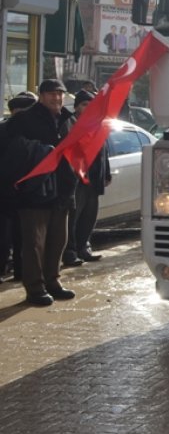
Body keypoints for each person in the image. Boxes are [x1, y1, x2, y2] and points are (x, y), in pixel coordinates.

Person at [6, 79, 79, 306]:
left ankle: (53, 282)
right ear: (41, 95)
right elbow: (10, 150)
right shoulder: (23, 119)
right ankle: (35, 288)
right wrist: (40, 153)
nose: (56, 98)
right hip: (34, 192)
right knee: (34, 244)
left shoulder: (69, 119)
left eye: (60, 94)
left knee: (58, 241)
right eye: (51, 94)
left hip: (63, 191)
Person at [62, 89, 111, 268]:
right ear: (76, 107)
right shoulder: (70, 124)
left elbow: (104, 152)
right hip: (77, 180)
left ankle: (84, 248)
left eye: (91, 105)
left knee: (89, 217)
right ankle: (70, 253)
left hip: (94, 180)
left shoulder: (98, 125)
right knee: (73, 218)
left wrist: (106, 174)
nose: (88, 108)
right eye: (84, 104)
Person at [0, 91, 38, 282]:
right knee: (7, 235)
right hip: (8, 192)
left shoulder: (35, 132)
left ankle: (20, 271)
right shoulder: (7, 132)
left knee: (23, 235)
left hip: (27, 192)